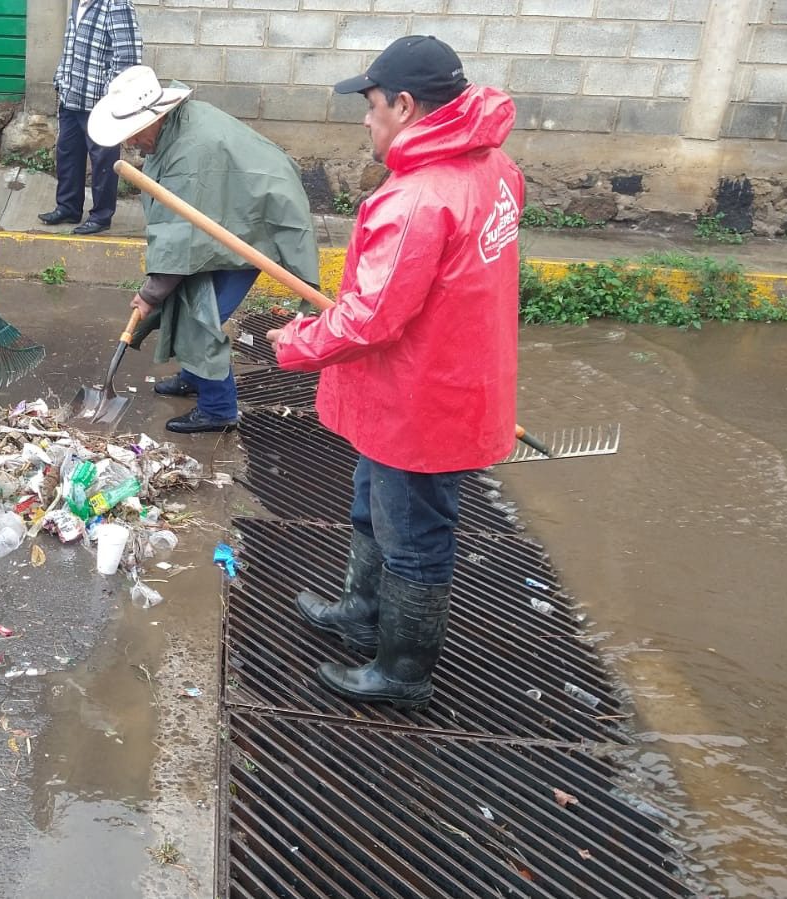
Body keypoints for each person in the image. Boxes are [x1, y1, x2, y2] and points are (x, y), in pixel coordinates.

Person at [267, 35, 523, 710]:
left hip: (423, 400)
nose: (364, 117)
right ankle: (361, 612)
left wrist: (295, 340)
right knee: (371, 504)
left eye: (371, 103)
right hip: (435, 381)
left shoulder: (416, 201)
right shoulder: (495, 168)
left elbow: (368, 320)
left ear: (404, 106)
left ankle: (402, 669)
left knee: (412, 535)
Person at [87, 65, 319, 434]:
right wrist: (157, 294)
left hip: (257, 222)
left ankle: (218, 408)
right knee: (188, 298)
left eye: (133, 134)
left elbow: (181, 241)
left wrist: (150, 295)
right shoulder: (174, 129)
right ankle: (198, 376)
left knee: (200, 317)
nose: (130, 143)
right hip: (231, 213)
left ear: (156, 117)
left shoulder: (188, 153)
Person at [39, 0, 141, 235]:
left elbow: (129, 56)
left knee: (104, 161)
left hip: (99, 102)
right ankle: (68, 207)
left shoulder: (116, 4)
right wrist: (60, 80)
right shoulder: (76, 2)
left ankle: (101, 216)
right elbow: (70, 46)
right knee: (67, 153)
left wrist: (110, 96)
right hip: (71, 96)